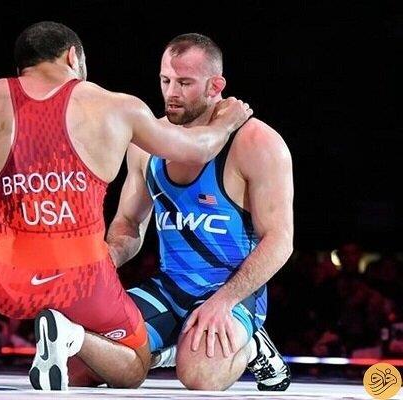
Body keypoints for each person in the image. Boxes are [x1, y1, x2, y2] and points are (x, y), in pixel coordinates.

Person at [0, 22, 252, 390]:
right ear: (73, 57)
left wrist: (15, 188)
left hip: (9, 285)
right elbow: (198, 149)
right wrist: (227, 122)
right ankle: (71, 334)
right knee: (134, 365)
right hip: (84, 281)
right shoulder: (115, 105)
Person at [106, 33, 294, 391]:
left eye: (184, 83)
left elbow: (280, 240)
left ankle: (253, 345)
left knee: (199, 375)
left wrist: (225, 301)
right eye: (165, 80)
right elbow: (128, 222)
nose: (171, 93)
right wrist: (104, 262)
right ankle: (166, 349)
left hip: (231, 289)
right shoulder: (148, 141)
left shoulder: (256, 142)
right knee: (85, 362)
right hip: (170, 288)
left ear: (215, 86)